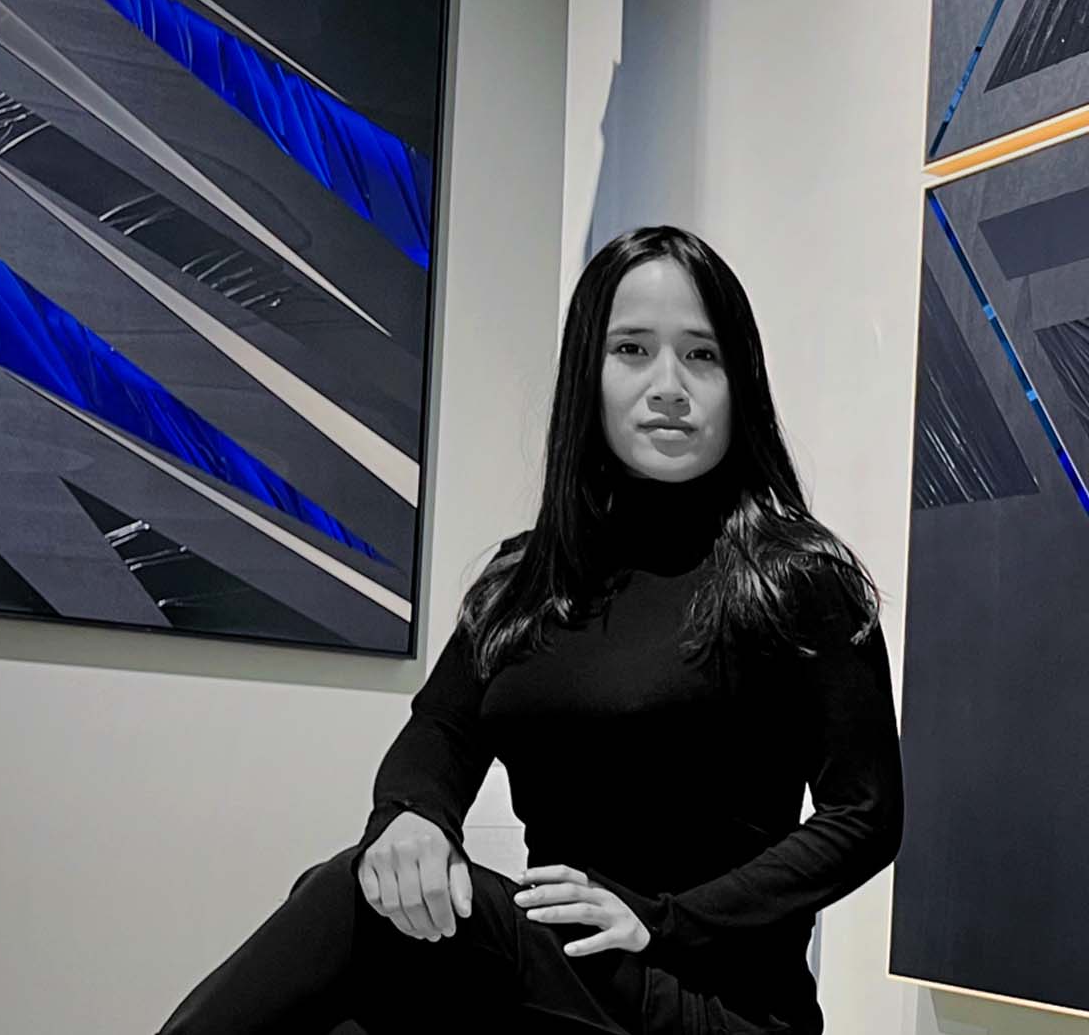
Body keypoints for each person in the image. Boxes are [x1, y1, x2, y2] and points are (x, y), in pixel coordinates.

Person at [153, 225, 904, 1035]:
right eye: (632, 350)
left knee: (348, 904)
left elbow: (863, 816)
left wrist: (664, 920)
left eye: (702, 355)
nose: (669, 385)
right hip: (567, 979)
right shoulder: (528, 579)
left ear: (740, 381)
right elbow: (442, 729)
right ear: (588, 372)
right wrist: (411, 816)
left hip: (711, 1002)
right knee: (354, 975)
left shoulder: (794, 576)